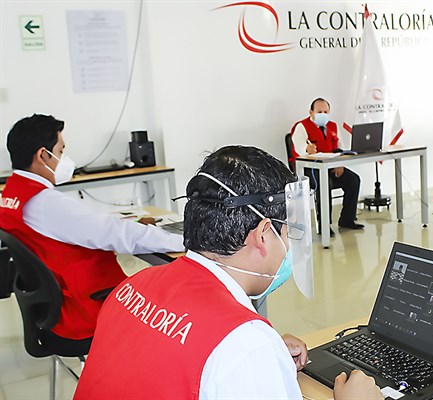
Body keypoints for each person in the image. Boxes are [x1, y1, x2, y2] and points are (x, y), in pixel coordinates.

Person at [74, 145, 382, 400]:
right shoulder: (243, 343)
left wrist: (267, 358)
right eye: (289, 232)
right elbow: (226, 349)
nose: (289, 244)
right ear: (264, 235)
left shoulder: (132, 286)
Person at [0, 114, 185, 342]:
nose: (64, 158)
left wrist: (130, 226)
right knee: (172, 291)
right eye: (60, 151)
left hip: (56, 309)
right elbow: (115, 234)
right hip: (87, 307)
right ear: (42, 155)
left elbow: (87, 227)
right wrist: (185, 241)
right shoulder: (44, 202)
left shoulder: (12, 195)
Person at [291, 98, 363, 234]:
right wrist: (307, 148)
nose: (323, 114)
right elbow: (299, 147)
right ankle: (324, 225)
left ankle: (347, 220)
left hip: (331, 167)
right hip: (311, 170)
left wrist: (339, 163)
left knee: (353, 180)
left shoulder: (333, 126)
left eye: (325, 112)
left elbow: (340, 148)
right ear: (311, 112)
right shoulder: (301, 126)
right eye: (319, 112)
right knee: (325, 184)